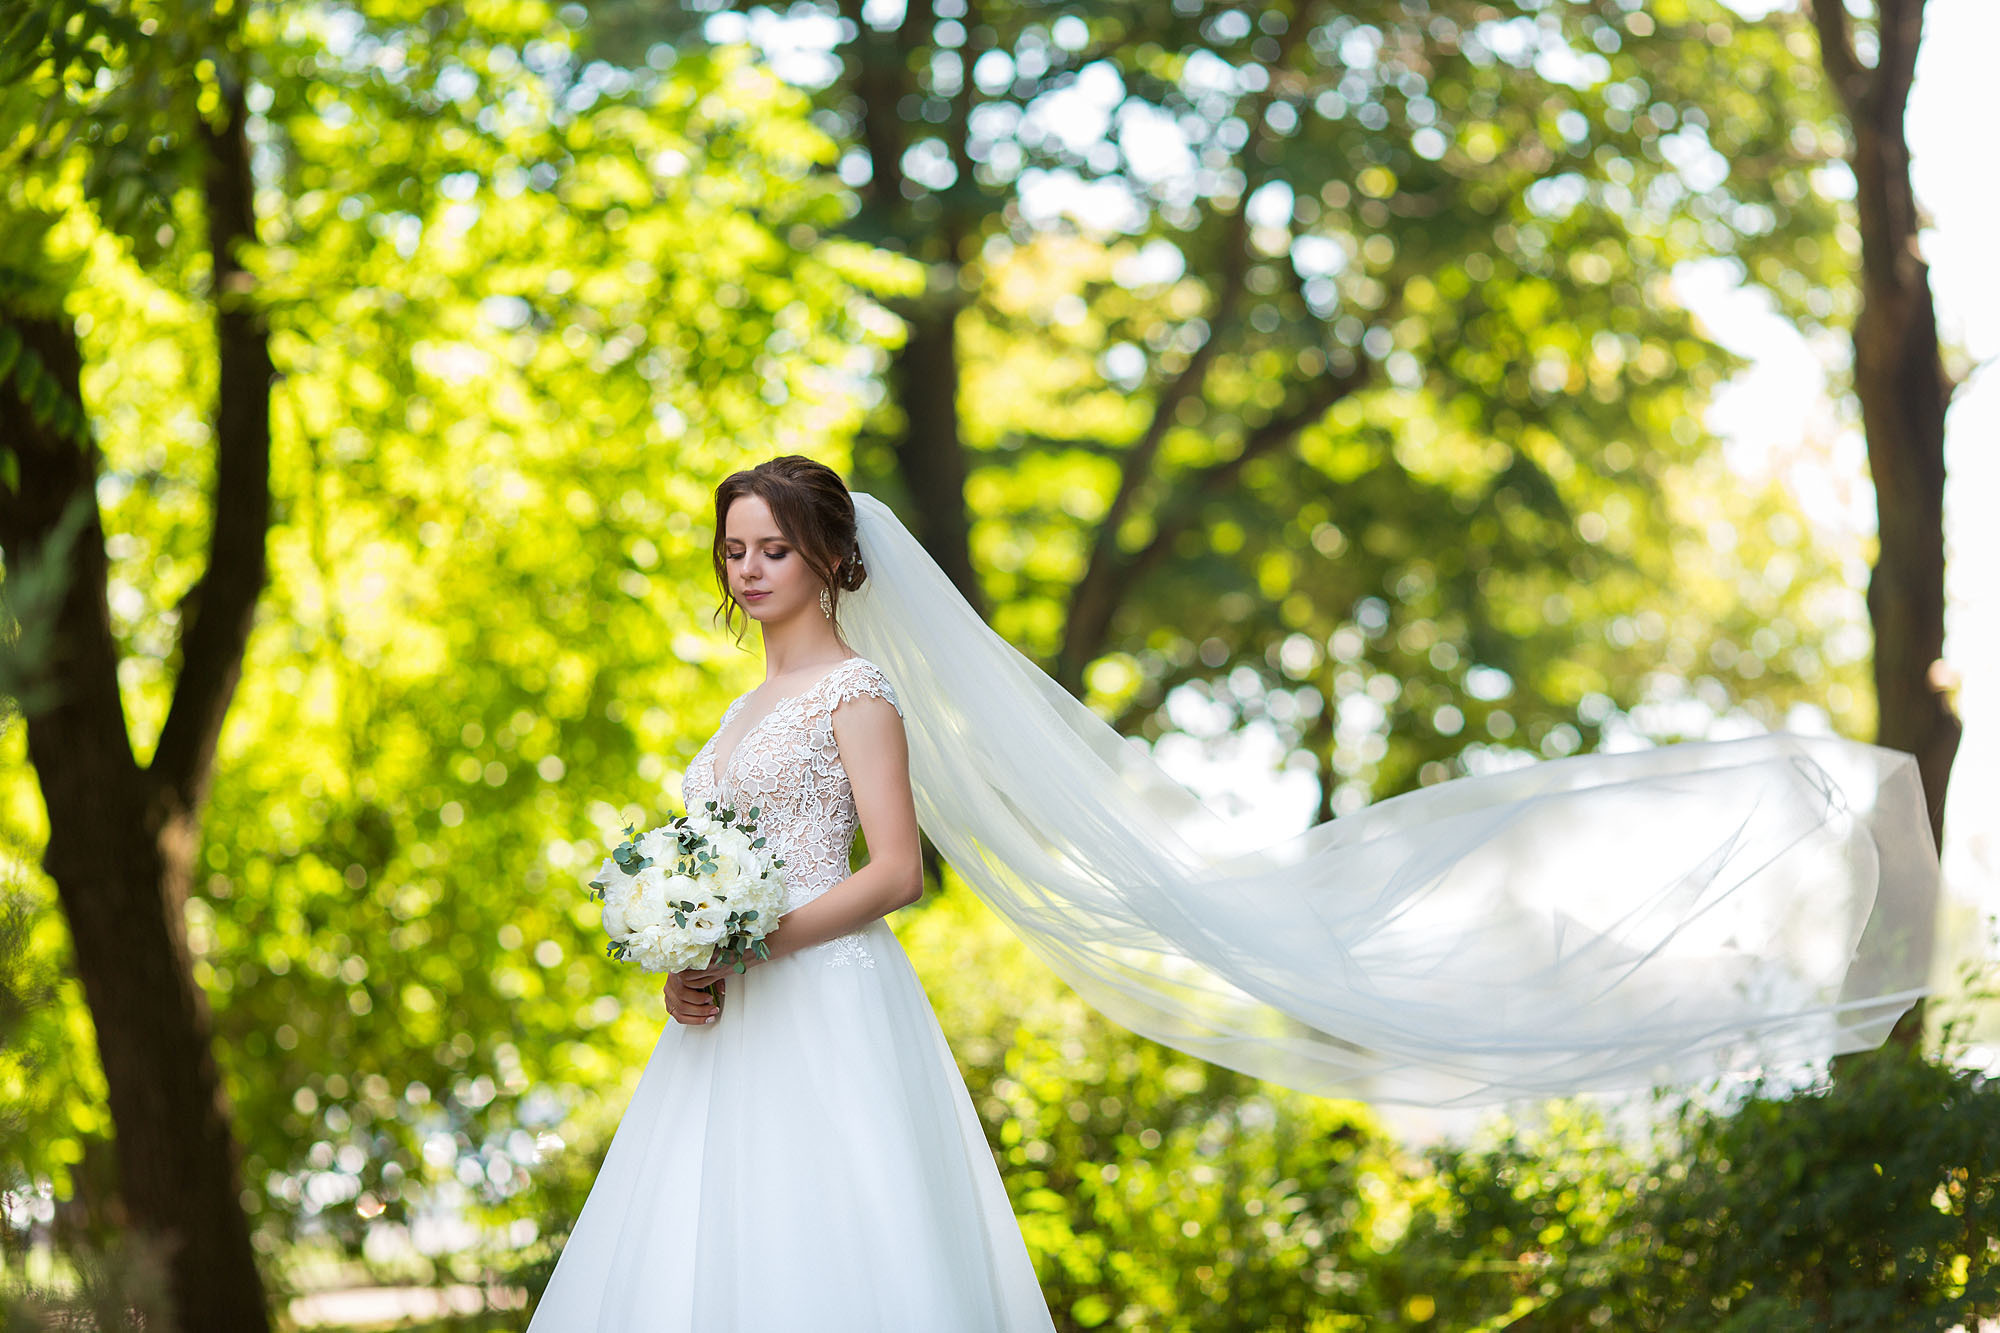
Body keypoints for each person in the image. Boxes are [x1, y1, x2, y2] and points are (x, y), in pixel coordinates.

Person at [526, 457, 1058, 1330]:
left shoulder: (858, 692)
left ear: (830, 558)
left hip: (828, 992)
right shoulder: (741, 708)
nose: (749, 569)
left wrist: (752, 945)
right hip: (727, 1015)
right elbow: (719, 872)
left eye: (774, 549)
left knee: (828, 1226)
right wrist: (686, 962)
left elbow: (897, 870)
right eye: (734, 550)